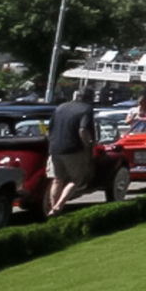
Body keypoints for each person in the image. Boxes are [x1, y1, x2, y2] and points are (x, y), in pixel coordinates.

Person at [46, 88, 98, 217]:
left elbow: (49, 129)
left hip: (55, 149)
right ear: (89, 98)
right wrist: (89, 144)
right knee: (76, 180)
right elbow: (83, 130)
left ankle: (53, 208)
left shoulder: (60, 107)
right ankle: (59, 206)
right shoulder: (86, 109)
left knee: (57, 179)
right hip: (74, 149)